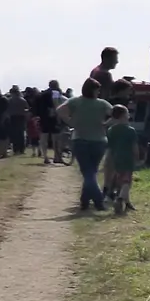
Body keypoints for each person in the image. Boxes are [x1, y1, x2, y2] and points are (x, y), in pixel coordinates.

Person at [58, 78, 113, 211]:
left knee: (89, 172)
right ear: (93, 90)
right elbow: (117, 114)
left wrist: (69, 121)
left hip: (80, 139)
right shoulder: (102, 104)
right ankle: (98, 201)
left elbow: (60, 110)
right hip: (98, 140)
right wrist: (106, 123)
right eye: (98, 89)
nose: (99, 92)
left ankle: (84, 201)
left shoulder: (75, 101)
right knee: (90, 172)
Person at [106, 105, 139, 215]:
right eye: (127, 113)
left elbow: (110, 147)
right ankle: (120, 199)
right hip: (127, 157)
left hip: (116, 157)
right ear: (124, 115)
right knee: (127, 181)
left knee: (120, 179)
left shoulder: (111, 130)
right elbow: (134, 147)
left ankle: (128, 203)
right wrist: (137, 157)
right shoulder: (130, 130)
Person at [39, 80, 65, 164]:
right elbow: (56, 104)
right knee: (55, 138)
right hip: (53, 117)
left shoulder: (42, 94)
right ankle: (57, 157)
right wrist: (58, 116)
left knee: (44, 138)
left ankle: (45, 157)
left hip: (43, 118)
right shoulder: (55, 93)